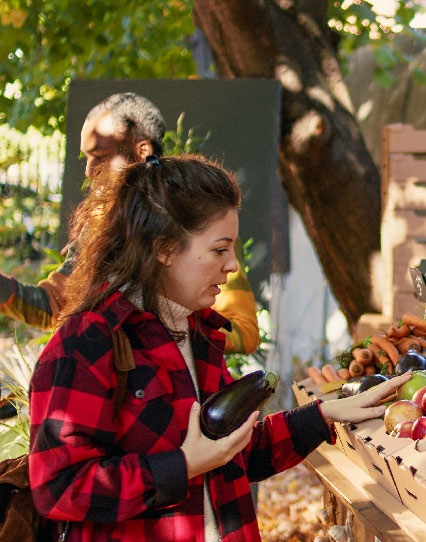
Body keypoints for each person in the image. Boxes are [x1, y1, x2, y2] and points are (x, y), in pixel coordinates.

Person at [27, 154, 411, 542]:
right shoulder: (90, 341)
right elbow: (60, 488)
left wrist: (322, 414)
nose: (232, 266)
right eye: (219, 249)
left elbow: (232, 454)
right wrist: (182, 466)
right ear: (165, 248)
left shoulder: (200, 332)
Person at [0, 92, 258, 354]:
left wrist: (164, 330)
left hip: (174, 387)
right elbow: (55, 306)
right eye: (86, 159)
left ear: (143, 150)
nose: (89, 171)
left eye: (99, 156)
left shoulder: (197, 219)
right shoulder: (99, 225)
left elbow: (244, 332)